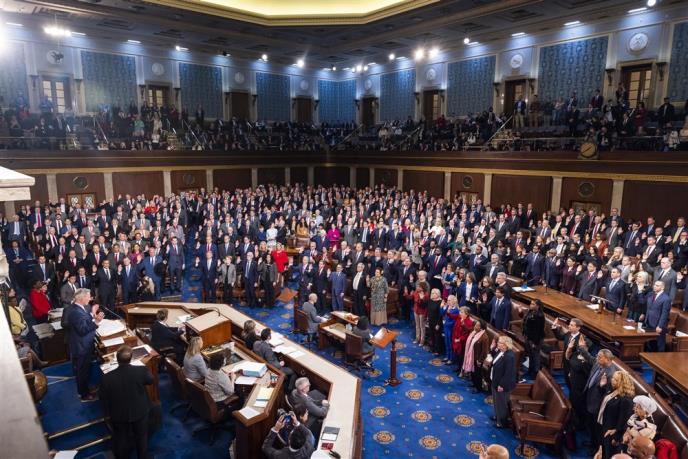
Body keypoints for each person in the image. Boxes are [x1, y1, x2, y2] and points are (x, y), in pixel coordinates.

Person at [98, 345, 154, 459]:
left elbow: (102, 396)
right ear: (131, 358)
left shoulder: (107, 377)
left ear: (117, 359)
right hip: (139, 411)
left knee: (121, 439)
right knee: (141, 437)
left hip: (119, 414)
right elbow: (150, 380)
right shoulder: (141, 370)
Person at [68, 288, 105, 401]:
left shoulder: (78, 308)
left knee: (85, 369)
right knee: (82, 371)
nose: (90, 299)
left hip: (83, 344)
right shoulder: (76, 312)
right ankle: (84, 394)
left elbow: (85, 321)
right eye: (88, 297)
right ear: (82, 298)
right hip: (81, 347)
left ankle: (86, 389)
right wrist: (97, 321)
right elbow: (83, 329)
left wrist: (93, 315)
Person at [595, 370, 635, 459]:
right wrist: (602, 386)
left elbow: (624, 420)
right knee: (602, 451)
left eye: (616, 380)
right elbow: (605, 403)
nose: (612, 380)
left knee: (610, 455)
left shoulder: (626, 399)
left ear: (623, 383)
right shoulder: (612, 390)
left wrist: (617, 437)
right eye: (613, 378)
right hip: (603, 426)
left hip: (611, 433)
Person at [584, 349, 616, 453]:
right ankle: (592, 442)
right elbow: (590, 359)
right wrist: (582, 349)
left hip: (598, 405)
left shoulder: (611, 373)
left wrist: (602, 386)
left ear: (607, 359)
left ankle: (596, 449)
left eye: (599, 356)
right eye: (597, 356)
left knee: (597, 429)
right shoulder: (599, 364)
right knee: (591, 425)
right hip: (590, 399)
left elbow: (609, 394)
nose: (597, 358)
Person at [490, 335, 516, 428]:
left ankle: (501, 422)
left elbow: (508, 373)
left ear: (506, 345)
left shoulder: (509, 356)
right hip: (495, 380)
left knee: (501, 403)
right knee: (496, 401)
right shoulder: (501, 351)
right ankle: (498, 416)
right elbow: (495, 360)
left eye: (500, 342)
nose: (498, 343)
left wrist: (501, 385)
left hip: (502, 385)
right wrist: (492, 348)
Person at [643, 280, 672, 351]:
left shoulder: (666, 298)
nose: (654, 286)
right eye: (654, 285)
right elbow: (648, 308)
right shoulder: (651, 295)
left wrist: (660, 326)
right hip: (648, 322)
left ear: (662, 287)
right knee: (650, 342)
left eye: (657, 285)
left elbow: (664, 314)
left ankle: (660, 357)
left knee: (659, 344)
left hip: (658, 324)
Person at [463, 319, 489, 394]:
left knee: (477, 374)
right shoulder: (474, 332)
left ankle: (478, 388)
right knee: (473, 372)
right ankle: (474, 384)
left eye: (477, 325)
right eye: (475, 325)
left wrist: (480, 360)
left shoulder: (484, 337)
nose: (475, 326)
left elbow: (485, 351)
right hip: (472, 356)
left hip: (478, 359)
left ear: (481, 327)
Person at [522, 299, 545, 378]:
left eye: (533, 304)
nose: (531, 305)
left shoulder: (540, 316)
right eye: (531, 303)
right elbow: (526, 321)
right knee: (530, 355)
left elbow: (538, 330)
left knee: (535, 356)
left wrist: (535, 343)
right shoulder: (530, 312)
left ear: (538, 306)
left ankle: (536, 373)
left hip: (535, 339)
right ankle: (530, 369)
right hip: (528, 337)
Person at [452, 306, 474, 371]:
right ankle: (458, 367)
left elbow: (466, 334)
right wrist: (454, 338)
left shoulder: (469, 322)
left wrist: (459, 340)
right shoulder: (459, 318)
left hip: (462, 343)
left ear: (466, 314)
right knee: (457, 355)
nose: (460, 313)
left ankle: (461, 369)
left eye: (462, 312)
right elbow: (455, 328)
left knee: (461, 356)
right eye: (460, 312)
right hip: (456, 340)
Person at [441, 295, 460, 363]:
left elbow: (453, 320)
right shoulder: (448, 307)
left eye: (449, 300)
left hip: (451, 329)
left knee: (450, 344)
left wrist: (446, 323)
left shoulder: (456, 310)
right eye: (448, 300)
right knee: (446, 343)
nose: (448, 302)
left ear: (453, 301)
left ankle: (451, 359)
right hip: (446, 328)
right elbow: (442, 313)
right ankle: (447, 356)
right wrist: (442, 307)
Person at [427, 288, 444, 355]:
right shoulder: (430, 301)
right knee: (432, 335)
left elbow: (440, 315)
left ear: (438, 294)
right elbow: (429, 311)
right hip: (431, 321)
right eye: (432, 293)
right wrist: (428, 318)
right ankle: (433, 348)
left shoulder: (440, 302)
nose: (433, 294)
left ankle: (438, 350)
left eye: (435, 293)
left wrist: (438, 324)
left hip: (437, 322)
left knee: (437, 337)